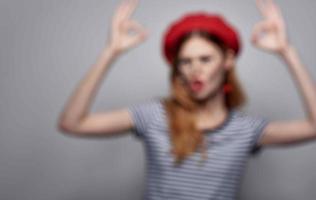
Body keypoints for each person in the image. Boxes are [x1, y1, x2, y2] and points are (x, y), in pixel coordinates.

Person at [58, 0, 316, 199]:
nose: (195, 69)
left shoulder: (246, 129)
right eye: (186, 61)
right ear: (177, 68)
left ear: (227, 61)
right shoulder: (154, 116)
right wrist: (110, 52)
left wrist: (287, 52)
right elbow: (73, 123)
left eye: (205, 59)